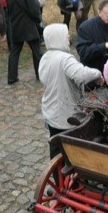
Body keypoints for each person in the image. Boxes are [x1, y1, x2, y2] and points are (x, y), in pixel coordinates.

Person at [39, 24, 103, 158]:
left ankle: (58, 173)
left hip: (51, 111)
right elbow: (82, 74)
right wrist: (97, 74)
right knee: (70, 148)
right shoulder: (65, 58)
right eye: (66, 33)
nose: (68, 36)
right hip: (65, 113)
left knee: (56, 145)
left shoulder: (45, 57)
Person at [6, 0, 43, 85]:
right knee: (37, 52)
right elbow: (35, 10)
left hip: (16, 27)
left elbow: (9, 12)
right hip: (30, 26)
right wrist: (38, 20)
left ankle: (12, 77)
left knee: (14, 52)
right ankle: (40, 74)